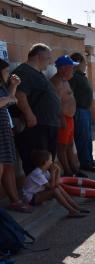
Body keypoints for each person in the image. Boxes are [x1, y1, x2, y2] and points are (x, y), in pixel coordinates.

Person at [13, 43, 61, 174]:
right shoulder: (23, 71)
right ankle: (36, 193)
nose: (50, 61)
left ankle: (48, 190)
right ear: (39, 56)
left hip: (47, 124)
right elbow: (19, 94)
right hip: (37, 127)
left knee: (47, 162)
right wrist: (29, 114)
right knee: (37, 163)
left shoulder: (38, 73)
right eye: (48, 57)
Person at [0, 59, 32, 213]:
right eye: (5, 71)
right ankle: (14, 200)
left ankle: (15, 200)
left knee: (9, 165)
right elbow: (6, 101)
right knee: (3, 166)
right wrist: (8, 98)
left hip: (5, 130)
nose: (8, 73)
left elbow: (10, 101)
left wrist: (13, 86)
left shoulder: (2, 87)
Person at [22, 150, 89, 218]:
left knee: (58, 187)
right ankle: (72, 211)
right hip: (30, 199)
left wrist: (58, 171)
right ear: (45, 162)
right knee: (55, 191)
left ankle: (76, 207)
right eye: (50, 160)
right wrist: (53, 173)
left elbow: (56, 184)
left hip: (38, 193)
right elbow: (52, 186)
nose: (52, 162)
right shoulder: (37, 174)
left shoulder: (44, 171)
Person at [51, 55, 84, 178]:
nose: (74, 70)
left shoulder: (65, 81)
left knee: (70, 144)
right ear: (63, 68)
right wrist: (62, 120)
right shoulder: (56, 82)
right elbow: (56, 104)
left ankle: (74, 169)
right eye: (72, 67)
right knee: (62, 146)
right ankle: (68, 171)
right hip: (63, 119)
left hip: (69, 118)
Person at [69, 52, 95, 172]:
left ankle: (90, 161)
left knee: (88, 138)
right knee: (82, 138)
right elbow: (70, 94)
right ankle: (85, 163)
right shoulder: (74, 77)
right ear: (78, 63)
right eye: (84, 63)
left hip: (85, 110)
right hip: (79, 111)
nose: (85, 65)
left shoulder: (81, 76)